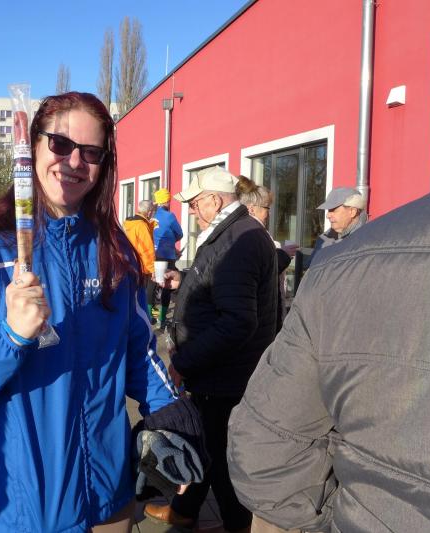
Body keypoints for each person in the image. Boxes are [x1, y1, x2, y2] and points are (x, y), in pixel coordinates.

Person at [0, 92, 182, 533]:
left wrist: (171, 415)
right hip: (26, 508)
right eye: (60, 144)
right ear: (33, 147)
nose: (74, 162)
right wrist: (9, 336)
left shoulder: (114, 251)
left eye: (91, 152)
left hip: (110, 495)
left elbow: (138, 349)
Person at [227, 149, 430, 532]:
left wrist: (329, 516)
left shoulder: (347, 257)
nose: (328, 216)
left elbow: (267, 446)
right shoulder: (336, 250)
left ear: (354, 211)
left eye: (335, 210)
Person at [144, 166, 278, 533]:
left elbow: (237, 321)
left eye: (194, 203)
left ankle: (236, 526)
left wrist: (184, 363)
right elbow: (225, 287)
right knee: (209, 447)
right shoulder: (234, 233)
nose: (190, 211)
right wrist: (187, 280)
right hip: (222, 372)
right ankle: (185, 509)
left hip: (225, 376)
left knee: (221, 459)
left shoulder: (239, 239)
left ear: (214, 201)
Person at [236, 177, 297, 332]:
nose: (268, 213)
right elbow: (263, 268)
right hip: (261, 316)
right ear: (251, 209)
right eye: (266, 208)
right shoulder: (252, 233)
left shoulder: (248, 230)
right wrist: (283, 255)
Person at [149, 187, 183, 329]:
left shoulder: (151, 215)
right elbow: (180, 233)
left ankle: (152, 317)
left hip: (153, 254)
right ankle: (162, 319)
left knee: (152, 286)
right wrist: (171, 240)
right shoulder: (169, 216)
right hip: (167, 255)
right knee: (166, 287)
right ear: (167, 201)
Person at [310, 186, 365, 261]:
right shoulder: (324, 239)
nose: (327, 215)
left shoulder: (368, 241)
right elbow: (311, 266)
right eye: (329, 210)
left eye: (333, 210)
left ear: (352, 212)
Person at [123, 199, 156, 317]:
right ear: (149, 212)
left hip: (128, 262)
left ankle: (130, 316)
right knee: (143, 293)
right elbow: (147, 249)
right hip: (141, 265)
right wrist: (153, 269)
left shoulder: (128, 223)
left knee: (130, 293)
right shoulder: (141, 225)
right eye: (153, 211)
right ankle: (146, 316)